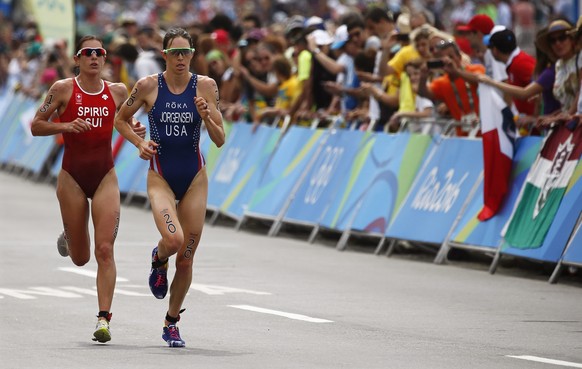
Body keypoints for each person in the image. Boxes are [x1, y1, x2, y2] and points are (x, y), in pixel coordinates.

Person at [114, 27, 225, 347]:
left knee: (187, 258)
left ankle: (171, 322)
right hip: (160, 176)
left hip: (194, 177)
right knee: (174, 240)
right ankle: (158, 257)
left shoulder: (206, 85)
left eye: (185, 52)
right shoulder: (148, 85)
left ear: (193, 54)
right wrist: (139, 142)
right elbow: (121, 119)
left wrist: (208, 116)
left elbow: (219, 139)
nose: (180, 58)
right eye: (174, 53)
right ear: (164, 55)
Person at [30, 35, 145, 343]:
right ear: (78, 59)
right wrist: (65, 126)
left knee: (105, 250)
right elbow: (36, 125)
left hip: (105, 175)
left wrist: (135, 129)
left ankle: (103, 319)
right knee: (81, 258)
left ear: (104, 59)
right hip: (72, 178)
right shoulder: (63, 89)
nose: (94, 57)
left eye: (100, 53)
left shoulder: (118, 91)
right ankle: (70, 236)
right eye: (88, 53)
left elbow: (126, 122)